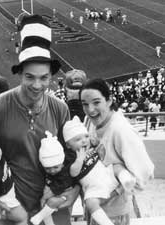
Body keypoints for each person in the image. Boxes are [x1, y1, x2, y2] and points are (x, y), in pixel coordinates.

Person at [0, 14, 80, 225]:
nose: (37, 85)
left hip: (51, 209)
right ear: (19, 74)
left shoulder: (60, 109)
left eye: (44, 77)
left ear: (52, 77)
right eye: (30, 77)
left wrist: (74, 191)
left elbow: (74, 154)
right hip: (10, 213)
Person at [80, 78, 154, 225]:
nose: (90, 109)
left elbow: (145, 173)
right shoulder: (91, 121)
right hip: (93, 209)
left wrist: (111, 192)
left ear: (109, 101)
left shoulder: (121, 130)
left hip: (113, 215)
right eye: (85, 104)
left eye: (96, 102)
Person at [63, 116, 136, 225]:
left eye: (86, 136)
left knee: (116, 167)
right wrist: (79, 160)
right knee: (90, 203)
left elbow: (102, 141)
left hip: (108, 176)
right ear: (68, 145)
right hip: (94, 188)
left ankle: (126, 180)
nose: (84, 141)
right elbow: (73, 173)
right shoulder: (71, 158)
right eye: (77, 139)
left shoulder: (92, 147)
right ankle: (106, 223)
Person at [30, 131, 75, 225]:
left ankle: (39, 217)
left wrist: (45, 196)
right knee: (46, 205)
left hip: (65, 193)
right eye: (48, 168)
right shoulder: (52, 170)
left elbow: (61, 184)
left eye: (55, 167)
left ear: (62, 162)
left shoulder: (65, 171)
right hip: (54, 195)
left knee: (52, 201)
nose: (52, 171)